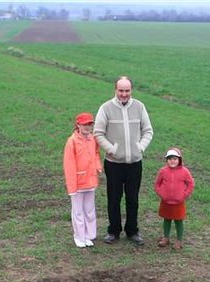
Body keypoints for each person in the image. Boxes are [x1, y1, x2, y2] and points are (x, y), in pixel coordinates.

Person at [93, 76, 154, 246]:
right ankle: (113, 231)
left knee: (133, 199)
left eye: (127, 90)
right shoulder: (105, 108)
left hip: (135, 163)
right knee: (114, 198)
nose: (124, 94)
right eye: (121, 90)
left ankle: (132, 231)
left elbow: (148, 131)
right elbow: (98, 133)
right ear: (115, 90)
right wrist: (112, 149)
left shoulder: (140, 107)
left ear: (131, 90)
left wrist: (140, 147)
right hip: (114, 164)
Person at [63, 112, 102, 248]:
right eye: (84, 124)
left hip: (90, 181)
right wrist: (72, 187)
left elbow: (96, 153)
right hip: (78, 183)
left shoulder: (92, 139)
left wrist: (97, 166)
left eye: (90, 124)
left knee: (89, 210)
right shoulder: (72, 141)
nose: (87, 127)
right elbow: (69, 165)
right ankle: (79, 237)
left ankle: (89, 235)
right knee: (78, 211)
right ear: (78, 125)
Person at [154, 147, 194, 250]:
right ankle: (166, 238)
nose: (172, 161)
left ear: (179, 160)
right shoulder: (163, 171)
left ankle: (179, 240)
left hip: (178, 202)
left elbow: (191, 184)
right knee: (166, 219)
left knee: (178, 221)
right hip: (166, 201)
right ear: (166, 160)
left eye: (175, 158)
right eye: (170, 158)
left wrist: (184, 195)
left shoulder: (184, 171)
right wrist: (161, 194)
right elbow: (157, 184)